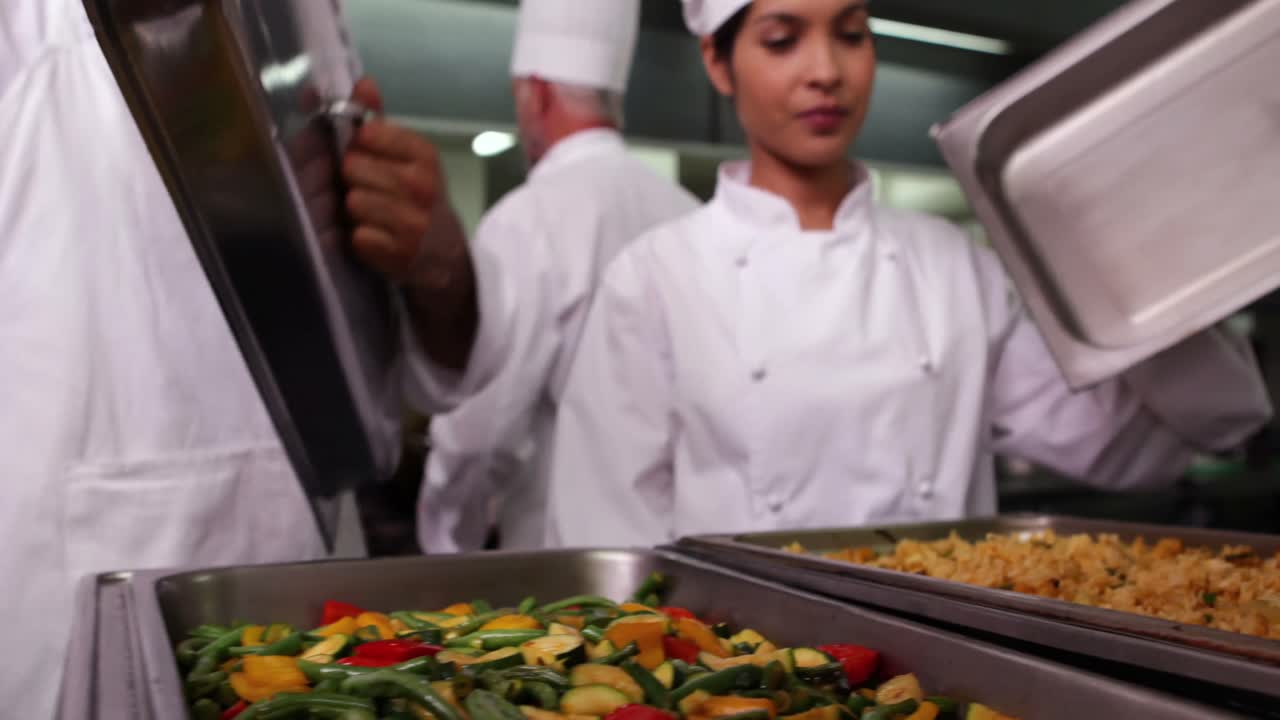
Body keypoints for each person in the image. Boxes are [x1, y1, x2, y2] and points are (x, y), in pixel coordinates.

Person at [545, 0, 1273, 547]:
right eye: (782, 39)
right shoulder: (657, 276)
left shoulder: (952, 264)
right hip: (744, 669)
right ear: (716, 61)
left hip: (947, 661)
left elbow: (1131, 451)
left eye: (851, 33)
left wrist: (1143, 262)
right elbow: (604, 528)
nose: (826, 71)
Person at [0, 1, 473, 716]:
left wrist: (436, 268)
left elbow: (398, 375)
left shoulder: (318, 24)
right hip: (91, 644)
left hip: (322, 618)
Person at [417, 0, 700, 552]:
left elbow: (484, 429)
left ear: (536, 95)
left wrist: (445, 535)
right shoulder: (687, 210)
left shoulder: (528, 219)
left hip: (562, 563)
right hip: (688, 551)